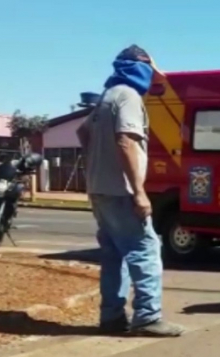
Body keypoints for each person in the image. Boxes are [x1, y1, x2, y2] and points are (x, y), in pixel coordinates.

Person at [77, 45, 184, 337]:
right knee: (145, 250)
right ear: (141, 68)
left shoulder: (105, 98)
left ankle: (111, 317)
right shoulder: (128, 96)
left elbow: (82, 133)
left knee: (114, 255)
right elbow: (126, 141)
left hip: (100, 190)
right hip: (122, 191)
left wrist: (98, 163)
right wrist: (139, 191)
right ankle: (148, 317)